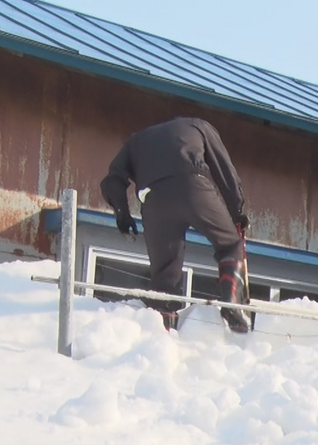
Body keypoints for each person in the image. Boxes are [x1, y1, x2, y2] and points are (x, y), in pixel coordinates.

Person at [100, 117, 250, 332]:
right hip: (193, 186)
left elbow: (113, 179)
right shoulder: (199, 125)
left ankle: (164, 331)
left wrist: (122, 213)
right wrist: (236, 211)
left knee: (164, 274)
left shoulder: (135, 141)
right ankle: (232, 304)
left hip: (153, 198)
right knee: (229, 245)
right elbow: (225, 171)